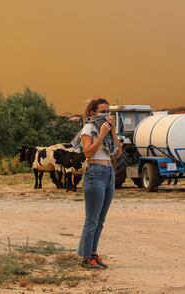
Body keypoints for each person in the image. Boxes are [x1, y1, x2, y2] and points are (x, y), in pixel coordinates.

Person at [77, 98, 122, 269]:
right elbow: (88, 153)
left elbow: (118, 153)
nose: (107, 115)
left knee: (100, 220)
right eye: (103, 111)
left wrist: (113, 133)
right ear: (92, 113)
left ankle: (92, 253)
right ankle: (86, 258)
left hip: (109, 173)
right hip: (95, 172)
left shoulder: (109, 130)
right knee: (92, 219)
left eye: (108, 111)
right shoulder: (89, 128)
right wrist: (102, 134)